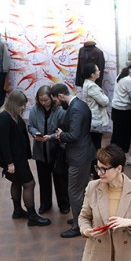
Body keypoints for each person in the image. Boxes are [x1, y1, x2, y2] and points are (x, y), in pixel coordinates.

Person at [0, 90, 50, 227]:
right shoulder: (3, 118)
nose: (23, 108)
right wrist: (10, 163)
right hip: (14, 159)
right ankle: (32, 216)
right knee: (29, 184)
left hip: (18, 157)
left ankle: (18, 210)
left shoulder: (12, 115)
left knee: (17, 182)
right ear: (14, 104)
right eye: (21, 105)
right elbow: (4, 143)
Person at [51, 83, 97, 238]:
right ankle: (82, 219)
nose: (57, 104)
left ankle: (78, 225)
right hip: (84, 152)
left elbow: (74, 135)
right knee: (82, 191)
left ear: (61, 96)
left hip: (79, 156)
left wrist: (60, 135)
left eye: (56, 101)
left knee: (74, 192)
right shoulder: (81, 104)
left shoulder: (75, 108)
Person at [28, 85, 69, 215]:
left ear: (51, 98)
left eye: (46, 100)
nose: (44, 103)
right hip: (40, 150)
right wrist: (35, 133)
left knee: (60, 178)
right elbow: (30, 126)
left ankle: (64, 204)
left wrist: (50, 137)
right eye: (41, 100)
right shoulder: (34, 109)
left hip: (56, 150)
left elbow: (63, 129)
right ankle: (45, 203)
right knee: (43, 179)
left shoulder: (60, 110)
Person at [110, 59, 131, 166]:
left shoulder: (122, 75)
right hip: (123, 111)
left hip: (116, 109)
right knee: (124, 135)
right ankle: (125, 156)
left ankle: (113, 155)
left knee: (117, 134)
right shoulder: (128, 80)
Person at [81, 62, 109, 151]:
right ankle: (94, 164)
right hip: (95, 120)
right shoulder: (91, 86)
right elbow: (104, 101)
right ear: (92, 74)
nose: (99, 72)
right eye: (97, 70)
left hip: (92, 119)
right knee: (95, 145)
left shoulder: (88, 83)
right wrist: (106, 97)